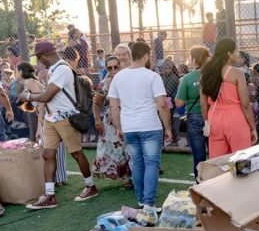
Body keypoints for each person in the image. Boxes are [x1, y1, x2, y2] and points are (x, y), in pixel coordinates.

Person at [19, 41, 98, 209]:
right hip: (51, 118)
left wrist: (28, 96)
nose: (38, 62)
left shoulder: (62, 69)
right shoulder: (54, 70)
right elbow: (47, 95)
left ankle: (91, 186)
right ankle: (50, 196)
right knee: (48, 155)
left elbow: (47, 96)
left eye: (39, 58)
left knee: (76, 153)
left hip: (64, 117)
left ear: (46, 55)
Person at [108, 42, 172, 209]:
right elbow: (162, 105)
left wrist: (118, 127)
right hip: (150, 125)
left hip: (129, 127)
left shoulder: (118, 77)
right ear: (145, 56)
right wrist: (169, 128)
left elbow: (114, 106)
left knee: (137, 163)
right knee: (151, 163)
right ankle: (149, 203)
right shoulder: (152, 76)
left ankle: (141, 200)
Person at [200, 38, 256, 157]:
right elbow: (245, 104)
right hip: (235, 118)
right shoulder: (237, 73)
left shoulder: (206, 73)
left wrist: (207, 121)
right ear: (229, 54)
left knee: (218, 162)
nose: (237, 54)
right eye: (236, 51)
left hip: (214, 118)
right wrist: (252, 127)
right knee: (241, 160)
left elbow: (203, 104)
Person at [92, 55, 132, 187]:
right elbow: (97, 103)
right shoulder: (104, 83)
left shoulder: (128, 80)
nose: (113, 70)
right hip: (111, 119)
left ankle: (134, 175)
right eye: (110, 68)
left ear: (121, 66)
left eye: (116, 67)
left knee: (130, 147)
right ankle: (126, 177)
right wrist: (97, 120)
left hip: (129, 116)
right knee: (116, 148)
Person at [175, 45, 210, 179]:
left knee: (199, 156)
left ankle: (200, 185)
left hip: (194, 117)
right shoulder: (213, 75)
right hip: (212, 116)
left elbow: (179, 102)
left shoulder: (187, 78)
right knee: (216, 153)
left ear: (194, 59)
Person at [15, 62, 42, 143]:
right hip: (40, 114)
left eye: (16, 71)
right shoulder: (27, 82)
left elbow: (41, 101)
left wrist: (39, 129)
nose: (14, 73)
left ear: (20, 72)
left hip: (44, 115)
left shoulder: (30, 81)